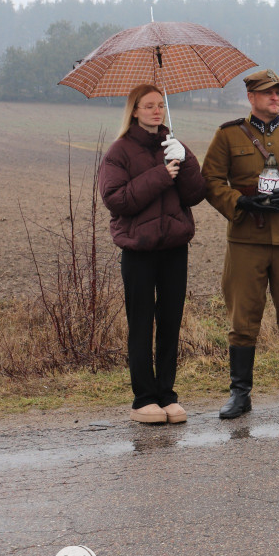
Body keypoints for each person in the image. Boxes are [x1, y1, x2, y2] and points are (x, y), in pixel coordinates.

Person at [201, 68, 279, 418]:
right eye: (268, 93)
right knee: (243, 321)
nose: (276, 98)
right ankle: (240, 395)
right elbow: (210, 179)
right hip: (247, 240)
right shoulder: (228, 136)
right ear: (252, 98)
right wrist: (238, 203)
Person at [99, 84, 207, 424]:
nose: (156, 111)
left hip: (174, 249)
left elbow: (194, 193)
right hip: (139, 251)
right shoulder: (119, 152)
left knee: (171, 323)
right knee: (142, 324)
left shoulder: (173, 146)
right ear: (134, 111)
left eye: (160, 105)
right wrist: (160, 174)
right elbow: (116, 200)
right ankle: (143, 398)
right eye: (148, 106)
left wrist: (185, 159)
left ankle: (167, 395)